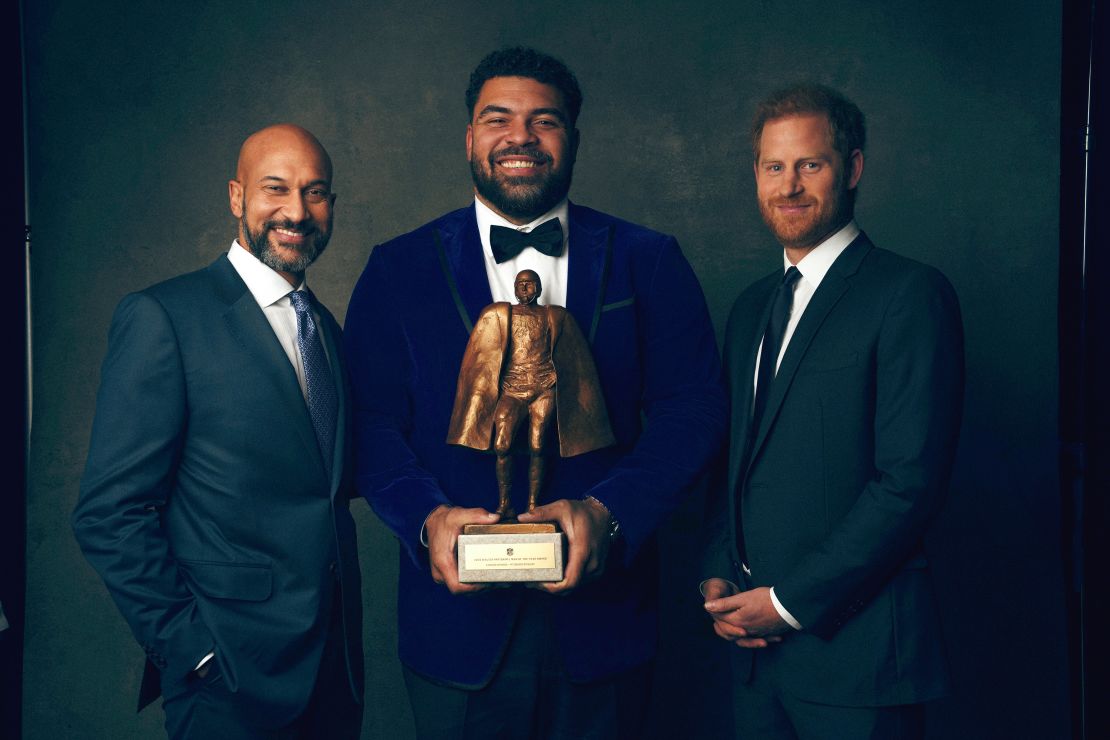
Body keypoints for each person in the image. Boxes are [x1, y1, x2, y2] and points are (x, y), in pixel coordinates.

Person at [344, 47, 725, 738]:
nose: (520, 135)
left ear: (572, 138)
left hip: (607, 628)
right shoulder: (396, 269)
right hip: (455, 636)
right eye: (498, 118)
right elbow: (368, 424)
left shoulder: (650, 258)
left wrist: (610, 513)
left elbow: (692, 408)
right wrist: (426, 520)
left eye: (543, 120)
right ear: (469, 137)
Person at [72, 124, 363, 739]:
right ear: (237, 197)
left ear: (331, 207)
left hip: (333, 674)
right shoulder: (164, 318)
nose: (295, 211)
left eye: (315, 193)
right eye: (275, 189)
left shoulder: (326, 331)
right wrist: (191, 651)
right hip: (226, 679)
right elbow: (108, 513)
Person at [701, 83, 964, 739]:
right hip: (755, 665)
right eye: (773, 166)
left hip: (860, 663)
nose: (788, 185)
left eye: (809, 165)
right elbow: (736, 462)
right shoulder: (750, 310)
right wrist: (715, 571)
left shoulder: (908, 294)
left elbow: (908, 483)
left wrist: (787, 606)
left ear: (851, 168)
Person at [446, 268, 614, 518]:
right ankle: (505, 503)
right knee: (502, 445)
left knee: (538, 445)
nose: (525, 288)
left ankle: (533, 505)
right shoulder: (502, 314)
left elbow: (577, 360)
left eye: (530, 284)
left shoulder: (555, 316)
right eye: (520, 284)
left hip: (543, 389)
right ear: (514, 288)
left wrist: (556, 380)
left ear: (539, 288)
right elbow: (481, 358)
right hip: (512, 390)